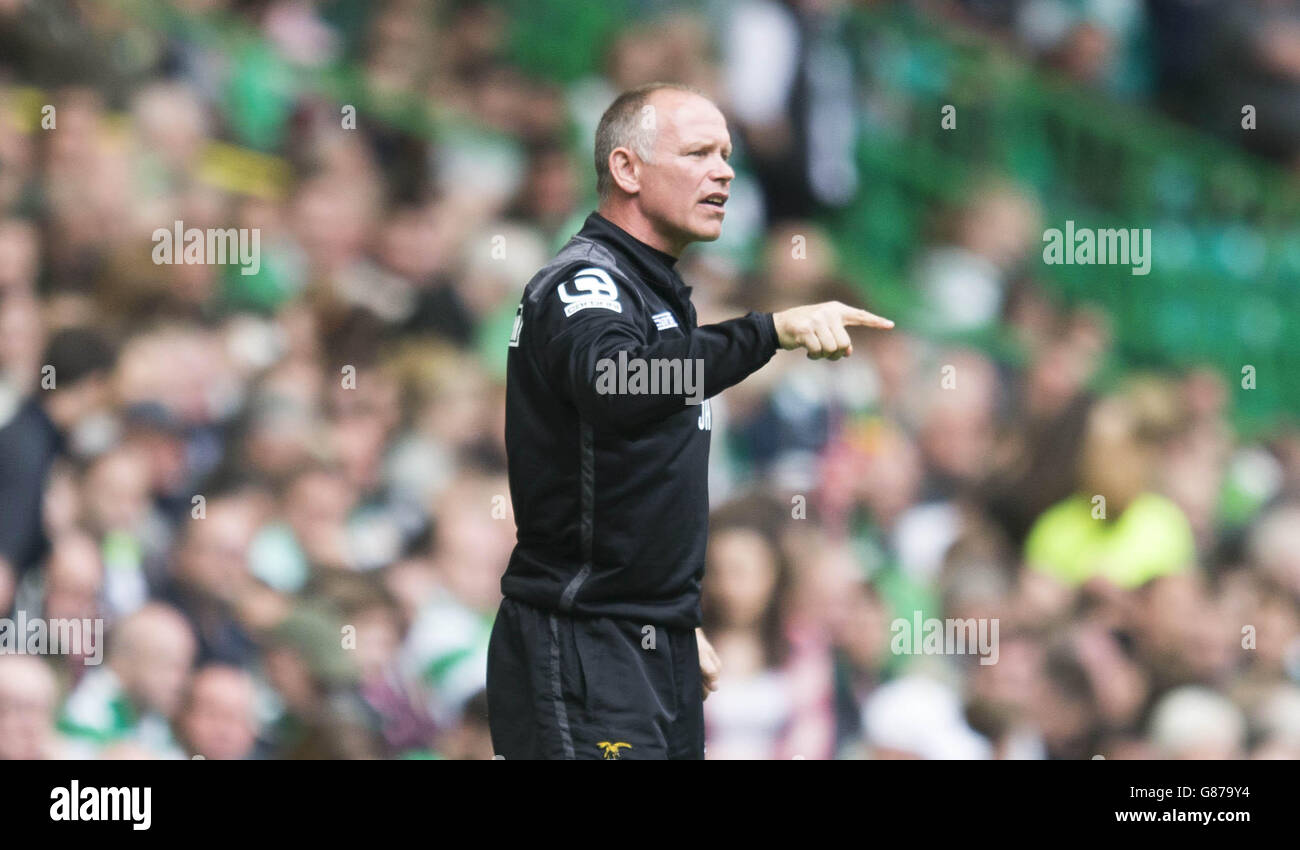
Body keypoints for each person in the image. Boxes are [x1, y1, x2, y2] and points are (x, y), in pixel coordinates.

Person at [488, 81, 893, 760]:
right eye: (700, 152)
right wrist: (769, 332)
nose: (725, 171)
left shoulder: (657, 295)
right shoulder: (583, 282)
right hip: (581, 644)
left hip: (650, 643)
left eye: (729, 154)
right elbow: (617, 381)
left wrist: (670, 618)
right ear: (626, 169)